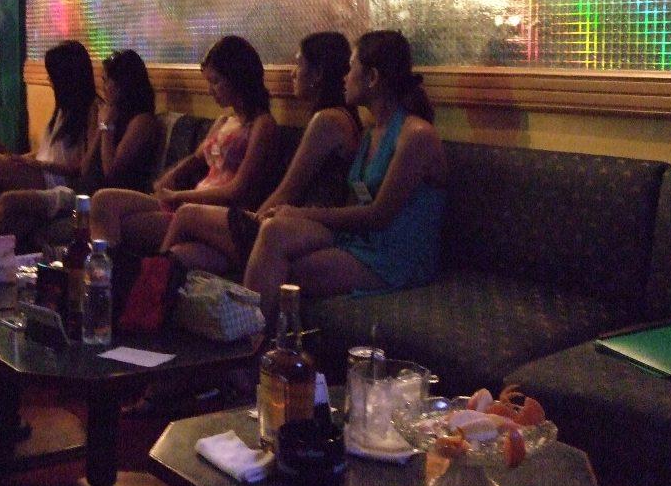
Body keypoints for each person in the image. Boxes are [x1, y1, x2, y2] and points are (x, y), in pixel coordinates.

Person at [241, 30, 448, 322]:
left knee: (284, 270)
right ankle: (249, 337)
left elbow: (379, 215)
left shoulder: (416, 135)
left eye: (351, 68)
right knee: (273, 229)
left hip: (394, 256)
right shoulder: (370, 133)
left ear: (372, 77)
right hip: (360, 239)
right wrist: (289, 217)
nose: (344, 77)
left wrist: (303, 213)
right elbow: (355, 202)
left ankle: (252, 340)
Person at [161, 31, 361, 274]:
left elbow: (287, 191)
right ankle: (157, 278)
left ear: (318, 74)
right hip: (300, 222)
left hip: (306, 227)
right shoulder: (340, 118)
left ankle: (152, 279)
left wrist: (253, 222)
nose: (293, 73)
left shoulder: (327, 120)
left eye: (299, 64)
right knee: (181, 253)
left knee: (186, 214)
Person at [90, 35, 277, 256]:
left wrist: (178, 196)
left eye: (215, 82)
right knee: (103, 200)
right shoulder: (224, 121)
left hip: (214, 215)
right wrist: (169, 178)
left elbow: (238, 189)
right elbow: (195, 159)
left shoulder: (262, 124)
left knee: (127, 224)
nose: (210, 90)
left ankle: (116, 269)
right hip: (188, 202)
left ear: (237, 78)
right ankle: (104, 270)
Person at [0, 49, 161, 247]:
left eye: (107, 81)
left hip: (104, 200)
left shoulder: (142, 122)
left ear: (123, 84)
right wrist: (102, 126)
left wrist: (107, 127)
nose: (104, 87)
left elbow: (111, 173)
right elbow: (85, 168)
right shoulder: (108, 113)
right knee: (15, 218)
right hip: (79, 192)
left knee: (8, 200)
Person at [0, 40, 98, 216]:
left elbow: (82, 168)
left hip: (55, 180)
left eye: (53, 75)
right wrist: (22, 158)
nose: (49, 80)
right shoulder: (64, 108)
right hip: (39, 171)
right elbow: (48, 151)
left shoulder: (91, 109)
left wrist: (39, 164)